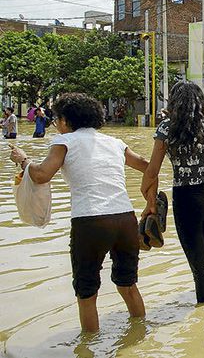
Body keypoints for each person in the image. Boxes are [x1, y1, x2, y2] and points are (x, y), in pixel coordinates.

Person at [9, 93, 149, 332]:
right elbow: (147, 166)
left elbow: (42, 174)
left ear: (65, 120)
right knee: (128, 285)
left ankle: (88, 347)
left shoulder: (65, 142)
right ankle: (140, 336)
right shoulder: (114, 142)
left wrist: (24, 161)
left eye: (56, 120)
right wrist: (151, 203)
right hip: (125, 219)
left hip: (91, 221)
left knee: (87, 293)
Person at [141, 82, 204, 304]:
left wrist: (146, 193)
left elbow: (152, 170)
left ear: (173, 102)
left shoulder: (167, 127)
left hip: (187, 200)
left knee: (199, 263)